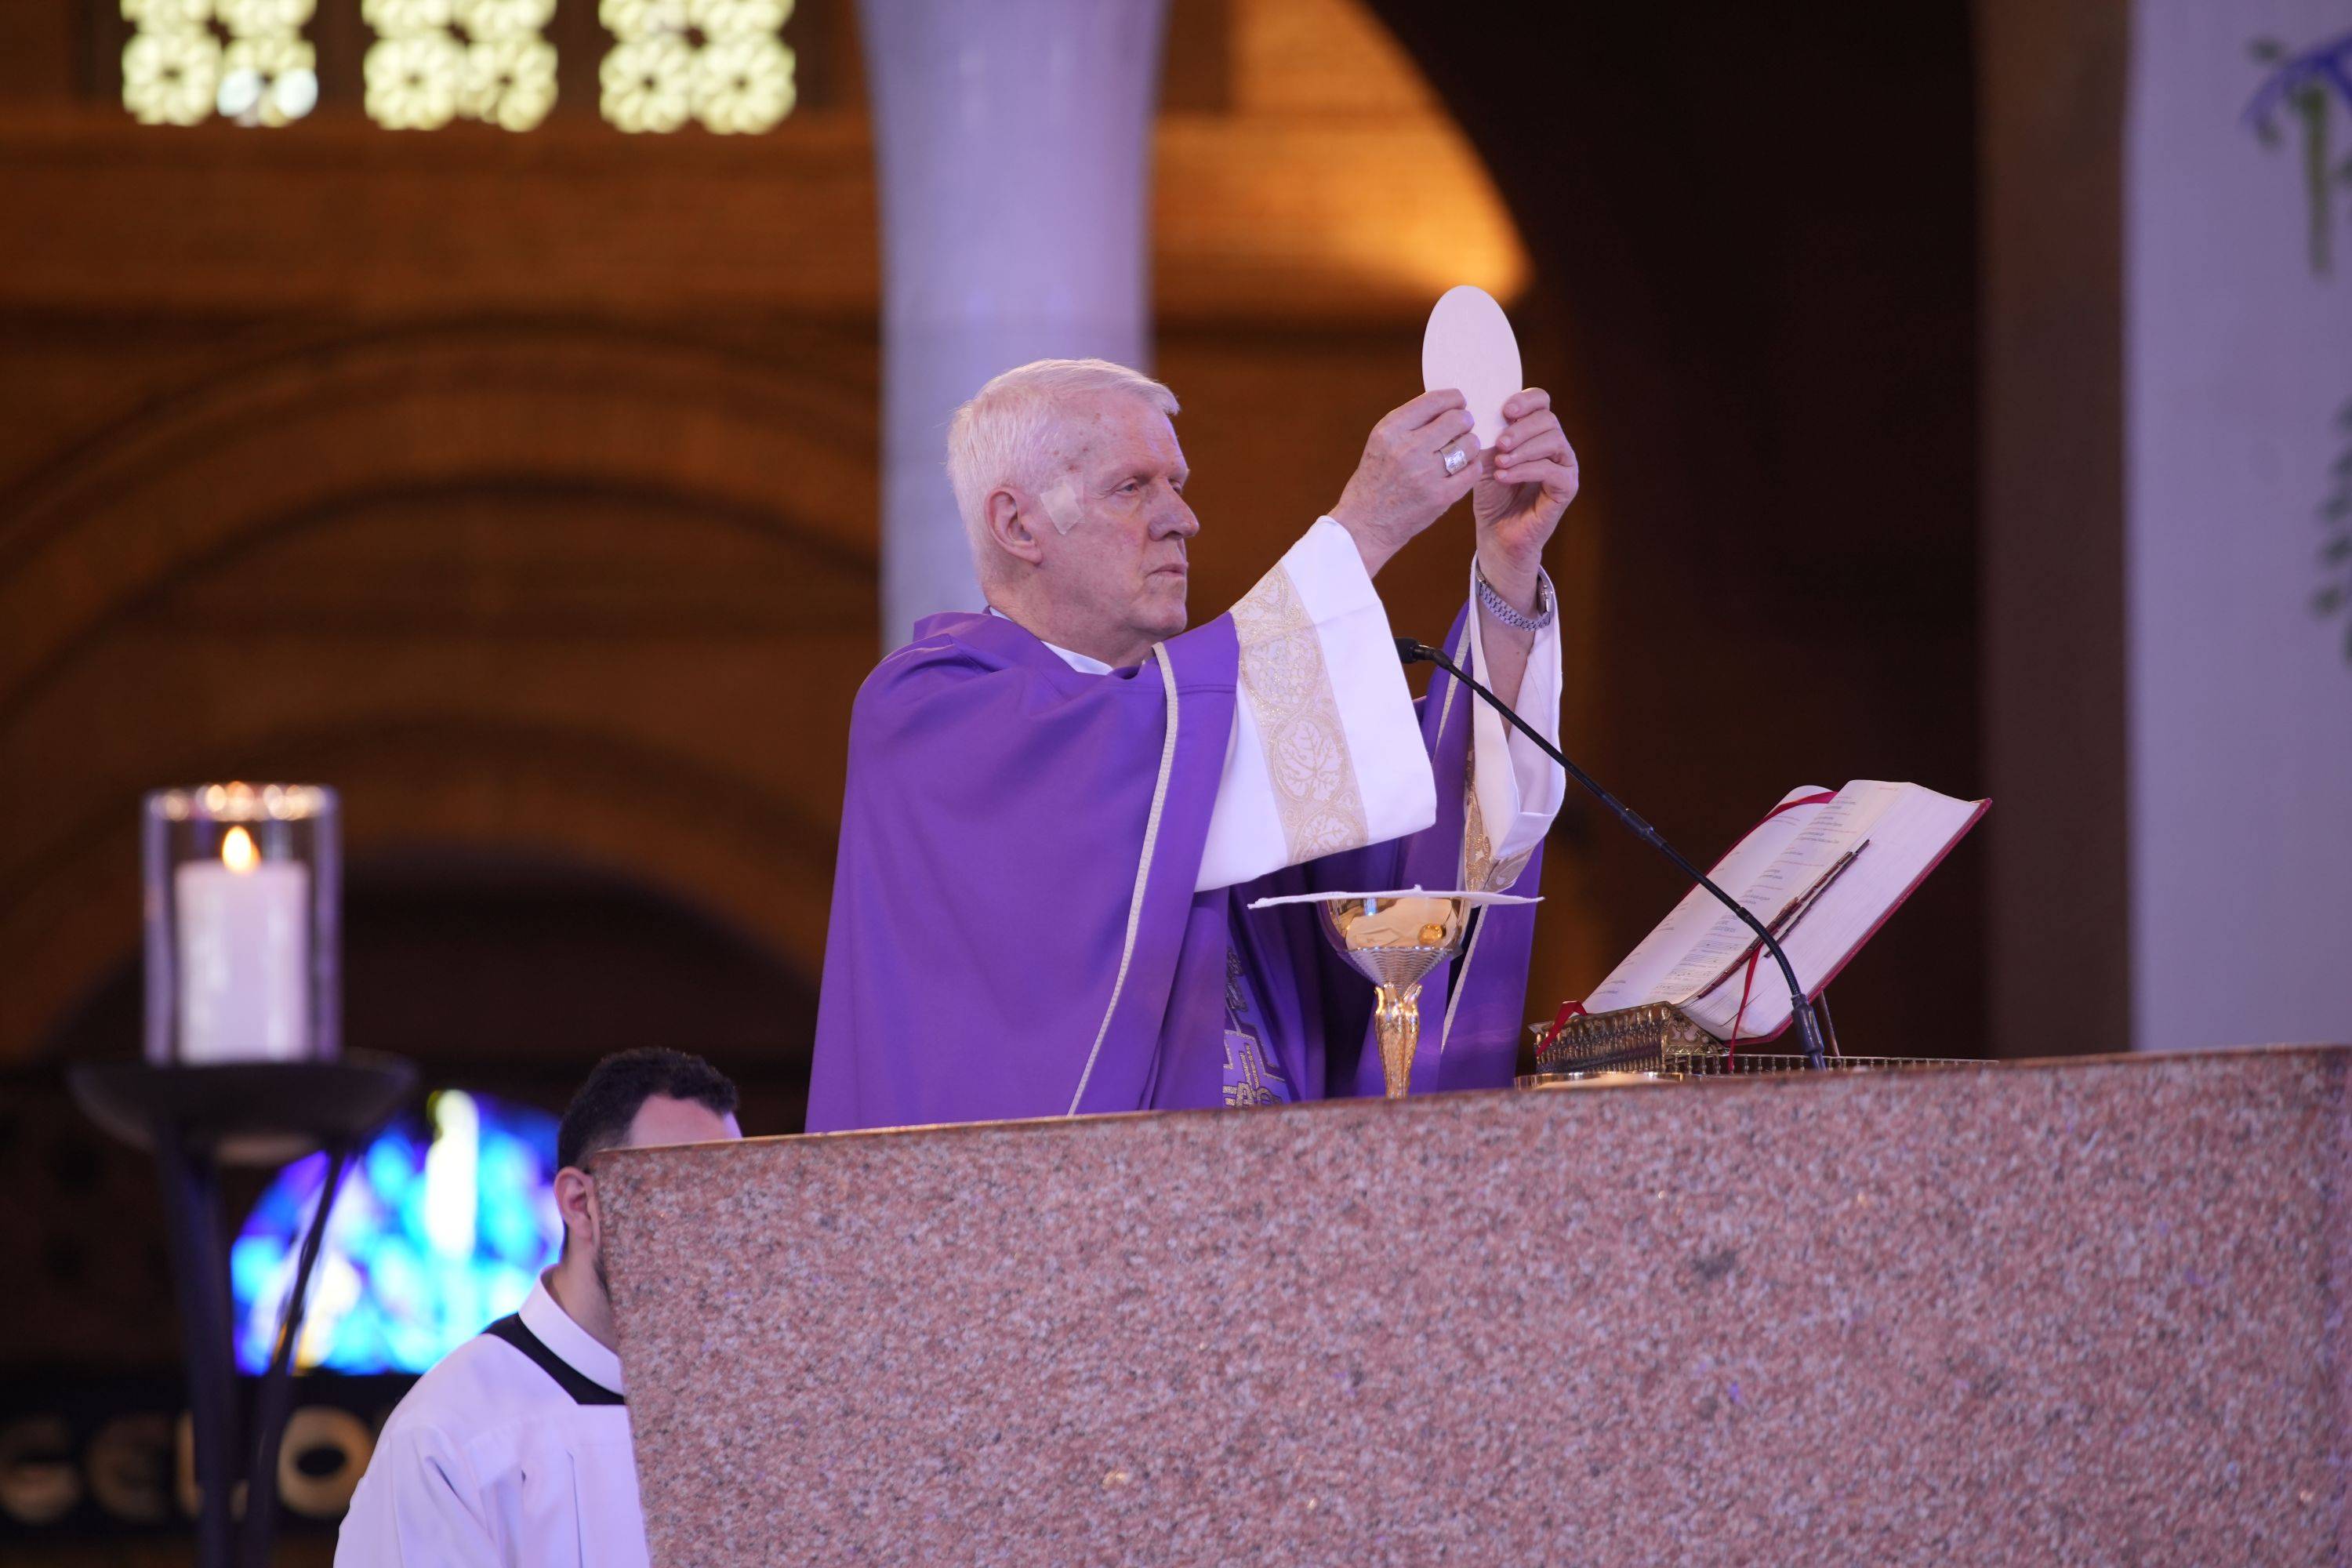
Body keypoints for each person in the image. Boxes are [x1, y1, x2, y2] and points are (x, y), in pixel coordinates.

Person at [810, 358, 1576, 1127]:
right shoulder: (928, 708)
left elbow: (1425, 842)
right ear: (1017, 525)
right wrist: (1367, 525)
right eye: (1131, 487)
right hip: (1076, 1198)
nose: (1182, 517)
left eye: (1177, 483)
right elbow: (1133, 759)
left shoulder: (1216, 737)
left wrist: (1506, 569)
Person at [335, 1049, 742, 1568]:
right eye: (683, 1190)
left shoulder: (746, 1409)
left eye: (733, 1195)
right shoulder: (447, 1435)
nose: (715, 1229)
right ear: (580, 1203)